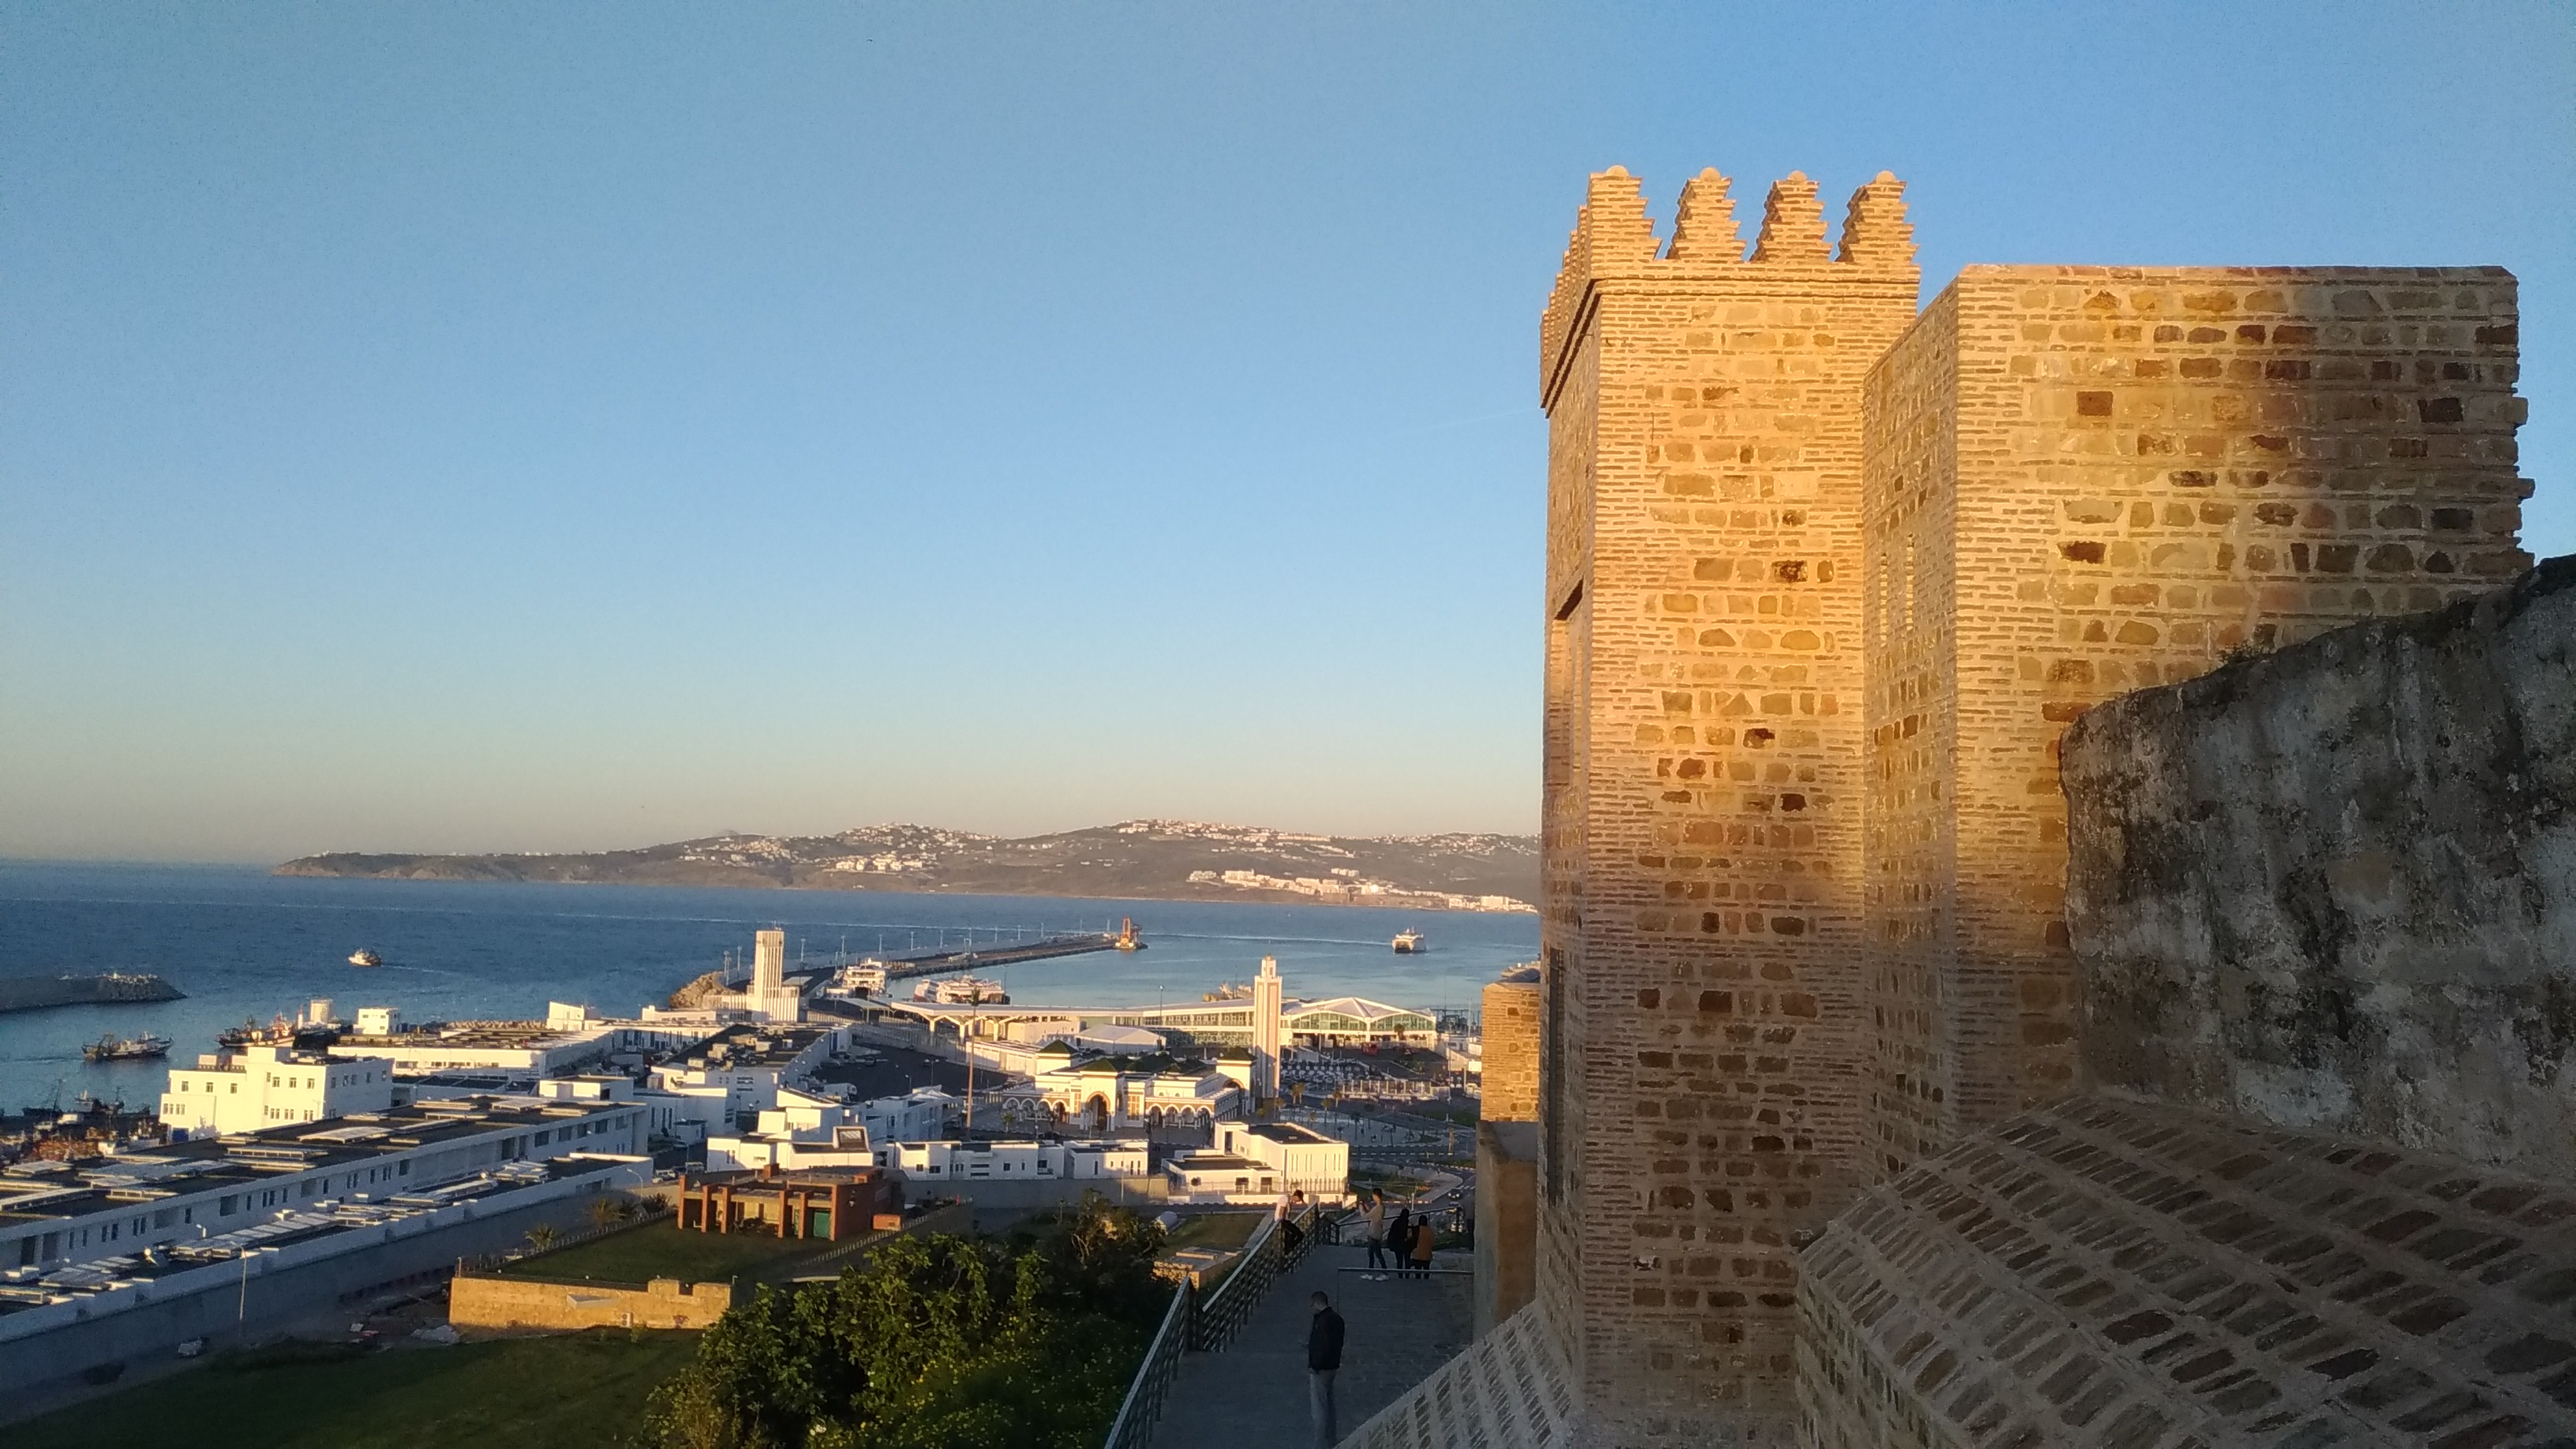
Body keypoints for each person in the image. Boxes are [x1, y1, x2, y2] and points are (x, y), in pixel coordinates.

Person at [1307, 1290, 1345, 1448]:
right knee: (1330, 1406)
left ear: (1317, 1303)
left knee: (1319, 1409)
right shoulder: (1337, 1319)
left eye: (1312, 1305)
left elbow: (1323, 1345)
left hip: (1321, 1368)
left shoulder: (1322, 1321)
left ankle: (1320, 1444)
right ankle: (1331, 1441)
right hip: (1333, 1366)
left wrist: (1314, 1364)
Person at [1361, 1190, 1388, 1274]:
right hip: (1376, 1233)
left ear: (1376, 1196)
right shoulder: (1381, 1207)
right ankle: (1371, 1272)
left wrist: (1361, 1208)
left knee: (1377, 1254)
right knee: (1372, 1254)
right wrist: (1366, 1208)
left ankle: (1384, 1273)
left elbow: (1365, 1216)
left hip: (1374, 1234)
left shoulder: (1378, 1208)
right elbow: (1372, 1214)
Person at [1384, 1204, 1410, 1282]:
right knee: (1407, 1260)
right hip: (1406, 1244)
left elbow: (1391, 1233)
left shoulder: (1396, 1222)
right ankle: (1407, 1274)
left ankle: (1400, 1275)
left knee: (1399, 1260)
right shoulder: (1408, 1224)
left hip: (1397, 1244)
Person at [1409, 1215, 1436, 1279]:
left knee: (1418, 1271)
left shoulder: (1416, 1229)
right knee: (1426, 1269)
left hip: (1417, 1255)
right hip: (1427, 1255)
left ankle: (1419, 1283)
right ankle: (1426, 1281)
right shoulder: (1430, 1231)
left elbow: (1410, 1238)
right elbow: (1432, 1243)